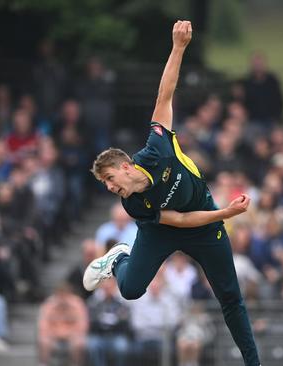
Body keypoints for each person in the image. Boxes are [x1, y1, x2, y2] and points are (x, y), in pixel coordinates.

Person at [82, 20, 261, 366]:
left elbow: (165, 94)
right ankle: (119, 258)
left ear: (124, 166)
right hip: (165, 227)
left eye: (108, 178)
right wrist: (226, 214)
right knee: (130, 290)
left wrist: (178, 48)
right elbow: (176, 219)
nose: (109, 187)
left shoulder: (157, 148)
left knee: (230, 298)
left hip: (204, 222)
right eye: (103, 184)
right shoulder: (131, 203)